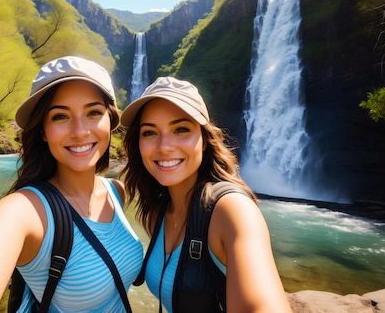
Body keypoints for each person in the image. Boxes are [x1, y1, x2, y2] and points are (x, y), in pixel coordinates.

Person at [0, 56, 143, 312]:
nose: (80, 131)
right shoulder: (22, 212)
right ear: (43, 131)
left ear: (110, 122)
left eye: (93, 112)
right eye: (60, 116)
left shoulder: (117, 192)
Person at [120, 76, 292, 313]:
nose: (165, 146)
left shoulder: (232, 210)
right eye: (149, 133)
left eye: (181, 129)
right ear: (138, 143)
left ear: (203, 141)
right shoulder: (156, 213)